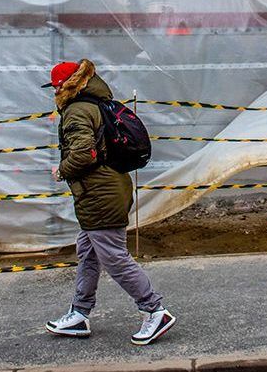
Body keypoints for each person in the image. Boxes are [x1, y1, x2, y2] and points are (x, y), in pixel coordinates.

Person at [42, 59, 176, 346]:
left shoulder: (77, 111)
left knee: (114, 257)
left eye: (55, 86)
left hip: (101, 194)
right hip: (106, 188)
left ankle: (155, 310)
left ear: (64, 85)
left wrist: (61, 170)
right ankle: (79, 314)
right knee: (88, 252)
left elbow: (85, 155)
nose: (54, 92)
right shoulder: (95, 103)